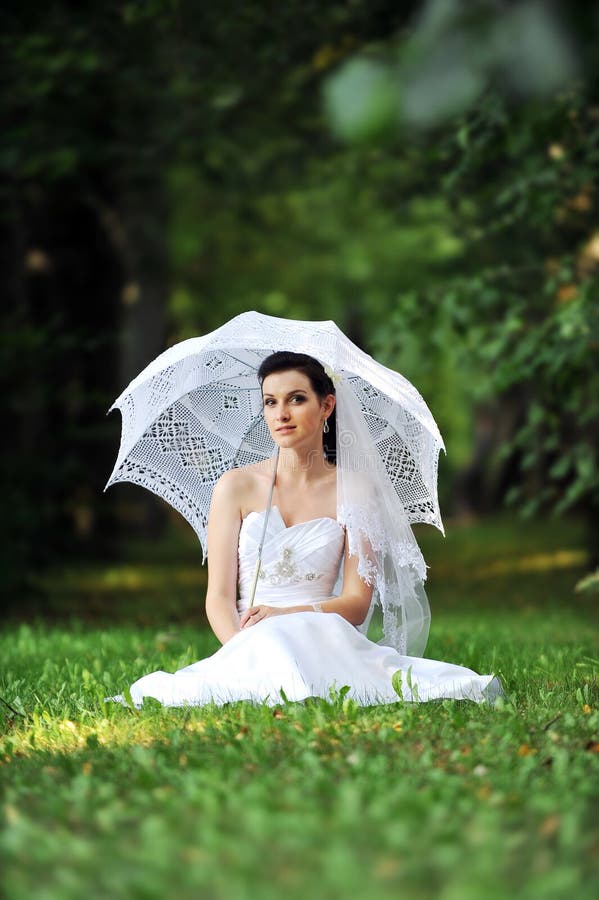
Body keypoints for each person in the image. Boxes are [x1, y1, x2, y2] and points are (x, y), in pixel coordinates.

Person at [114, 352, 502, 707]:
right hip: (248, 640)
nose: (281, 413)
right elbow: (217, 597)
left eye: (296, 399)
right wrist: (244, 653)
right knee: (263, 652)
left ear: (327, 406)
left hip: (323, 634)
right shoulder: (236, 487)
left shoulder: (356, 490)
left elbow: (356, 603)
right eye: (270, 401)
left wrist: (283, 613)